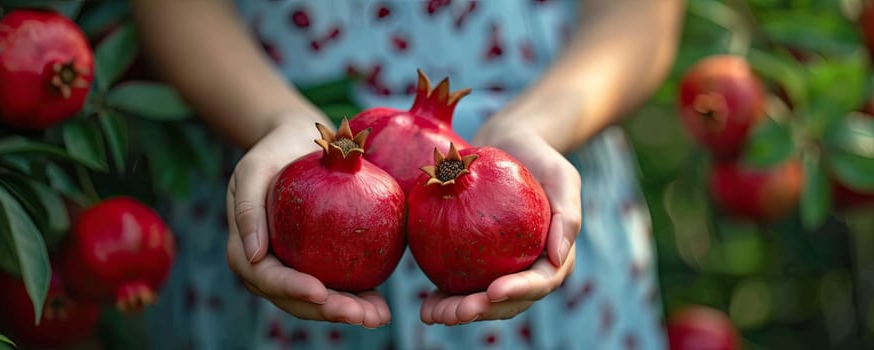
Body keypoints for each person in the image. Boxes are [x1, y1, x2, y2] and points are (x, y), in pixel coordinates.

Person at [131, 0, 684, 349]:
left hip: (549, 150)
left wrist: (534, 125)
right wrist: (281, 121)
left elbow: (639, 13)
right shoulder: (306, 165)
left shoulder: (507, 163)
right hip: (268, 167)